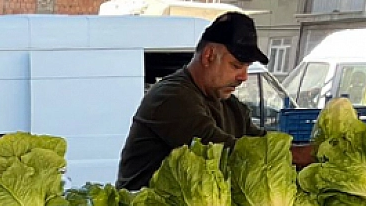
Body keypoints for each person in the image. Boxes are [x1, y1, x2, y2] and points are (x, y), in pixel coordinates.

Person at [118, 13, 307, 191]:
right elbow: (223, 150)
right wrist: (305, 155)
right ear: (209, 56)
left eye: (247, 68)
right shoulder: (170, 97)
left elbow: (261, 142)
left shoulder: (231, 105)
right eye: (236, 66)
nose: (243, 77)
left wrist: (311, 150)